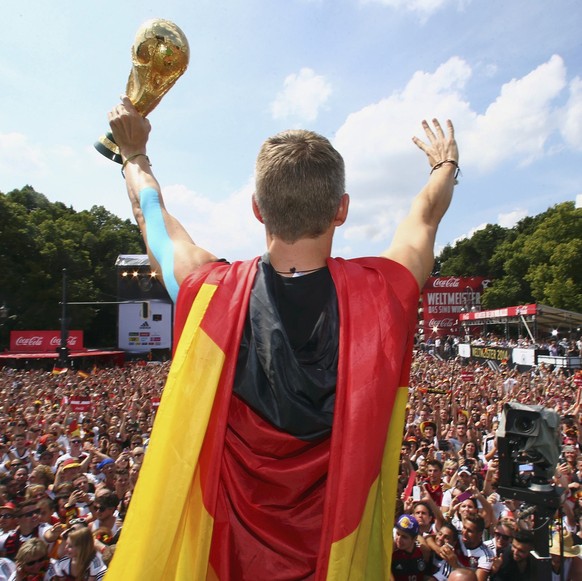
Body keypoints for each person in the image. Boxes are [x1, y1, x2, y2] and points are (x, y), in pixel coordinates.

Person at [105, 96, 459, 579]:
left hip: (228, 558)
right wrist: (444, 163)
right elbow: (425, 216)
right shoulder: (382, 295)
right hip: (331, 562)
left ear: (257, 208)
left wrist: (134, 155)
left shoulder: (210, 294)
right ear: (342, 210)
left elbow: (150, 215)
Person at [391, 514, 428, 580]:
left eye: (404, 537)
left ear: (414, 538)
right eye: (398, 534)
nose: (399, 539)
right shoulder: (392, 553)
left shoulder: (422, 552)